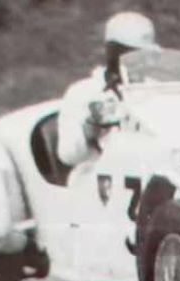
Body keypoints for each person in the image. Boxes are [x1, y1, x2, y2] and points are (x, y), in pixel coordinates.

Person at [56, 12, 158, 168]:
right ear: (113, 53)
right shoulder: (82, 92)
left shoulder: (155, 89)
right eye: (131, 53)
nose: (139, 61)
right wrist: (90, 128)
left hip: (144, 175)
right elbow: (68, 155)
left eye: (144, 55)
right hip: (94, 179)